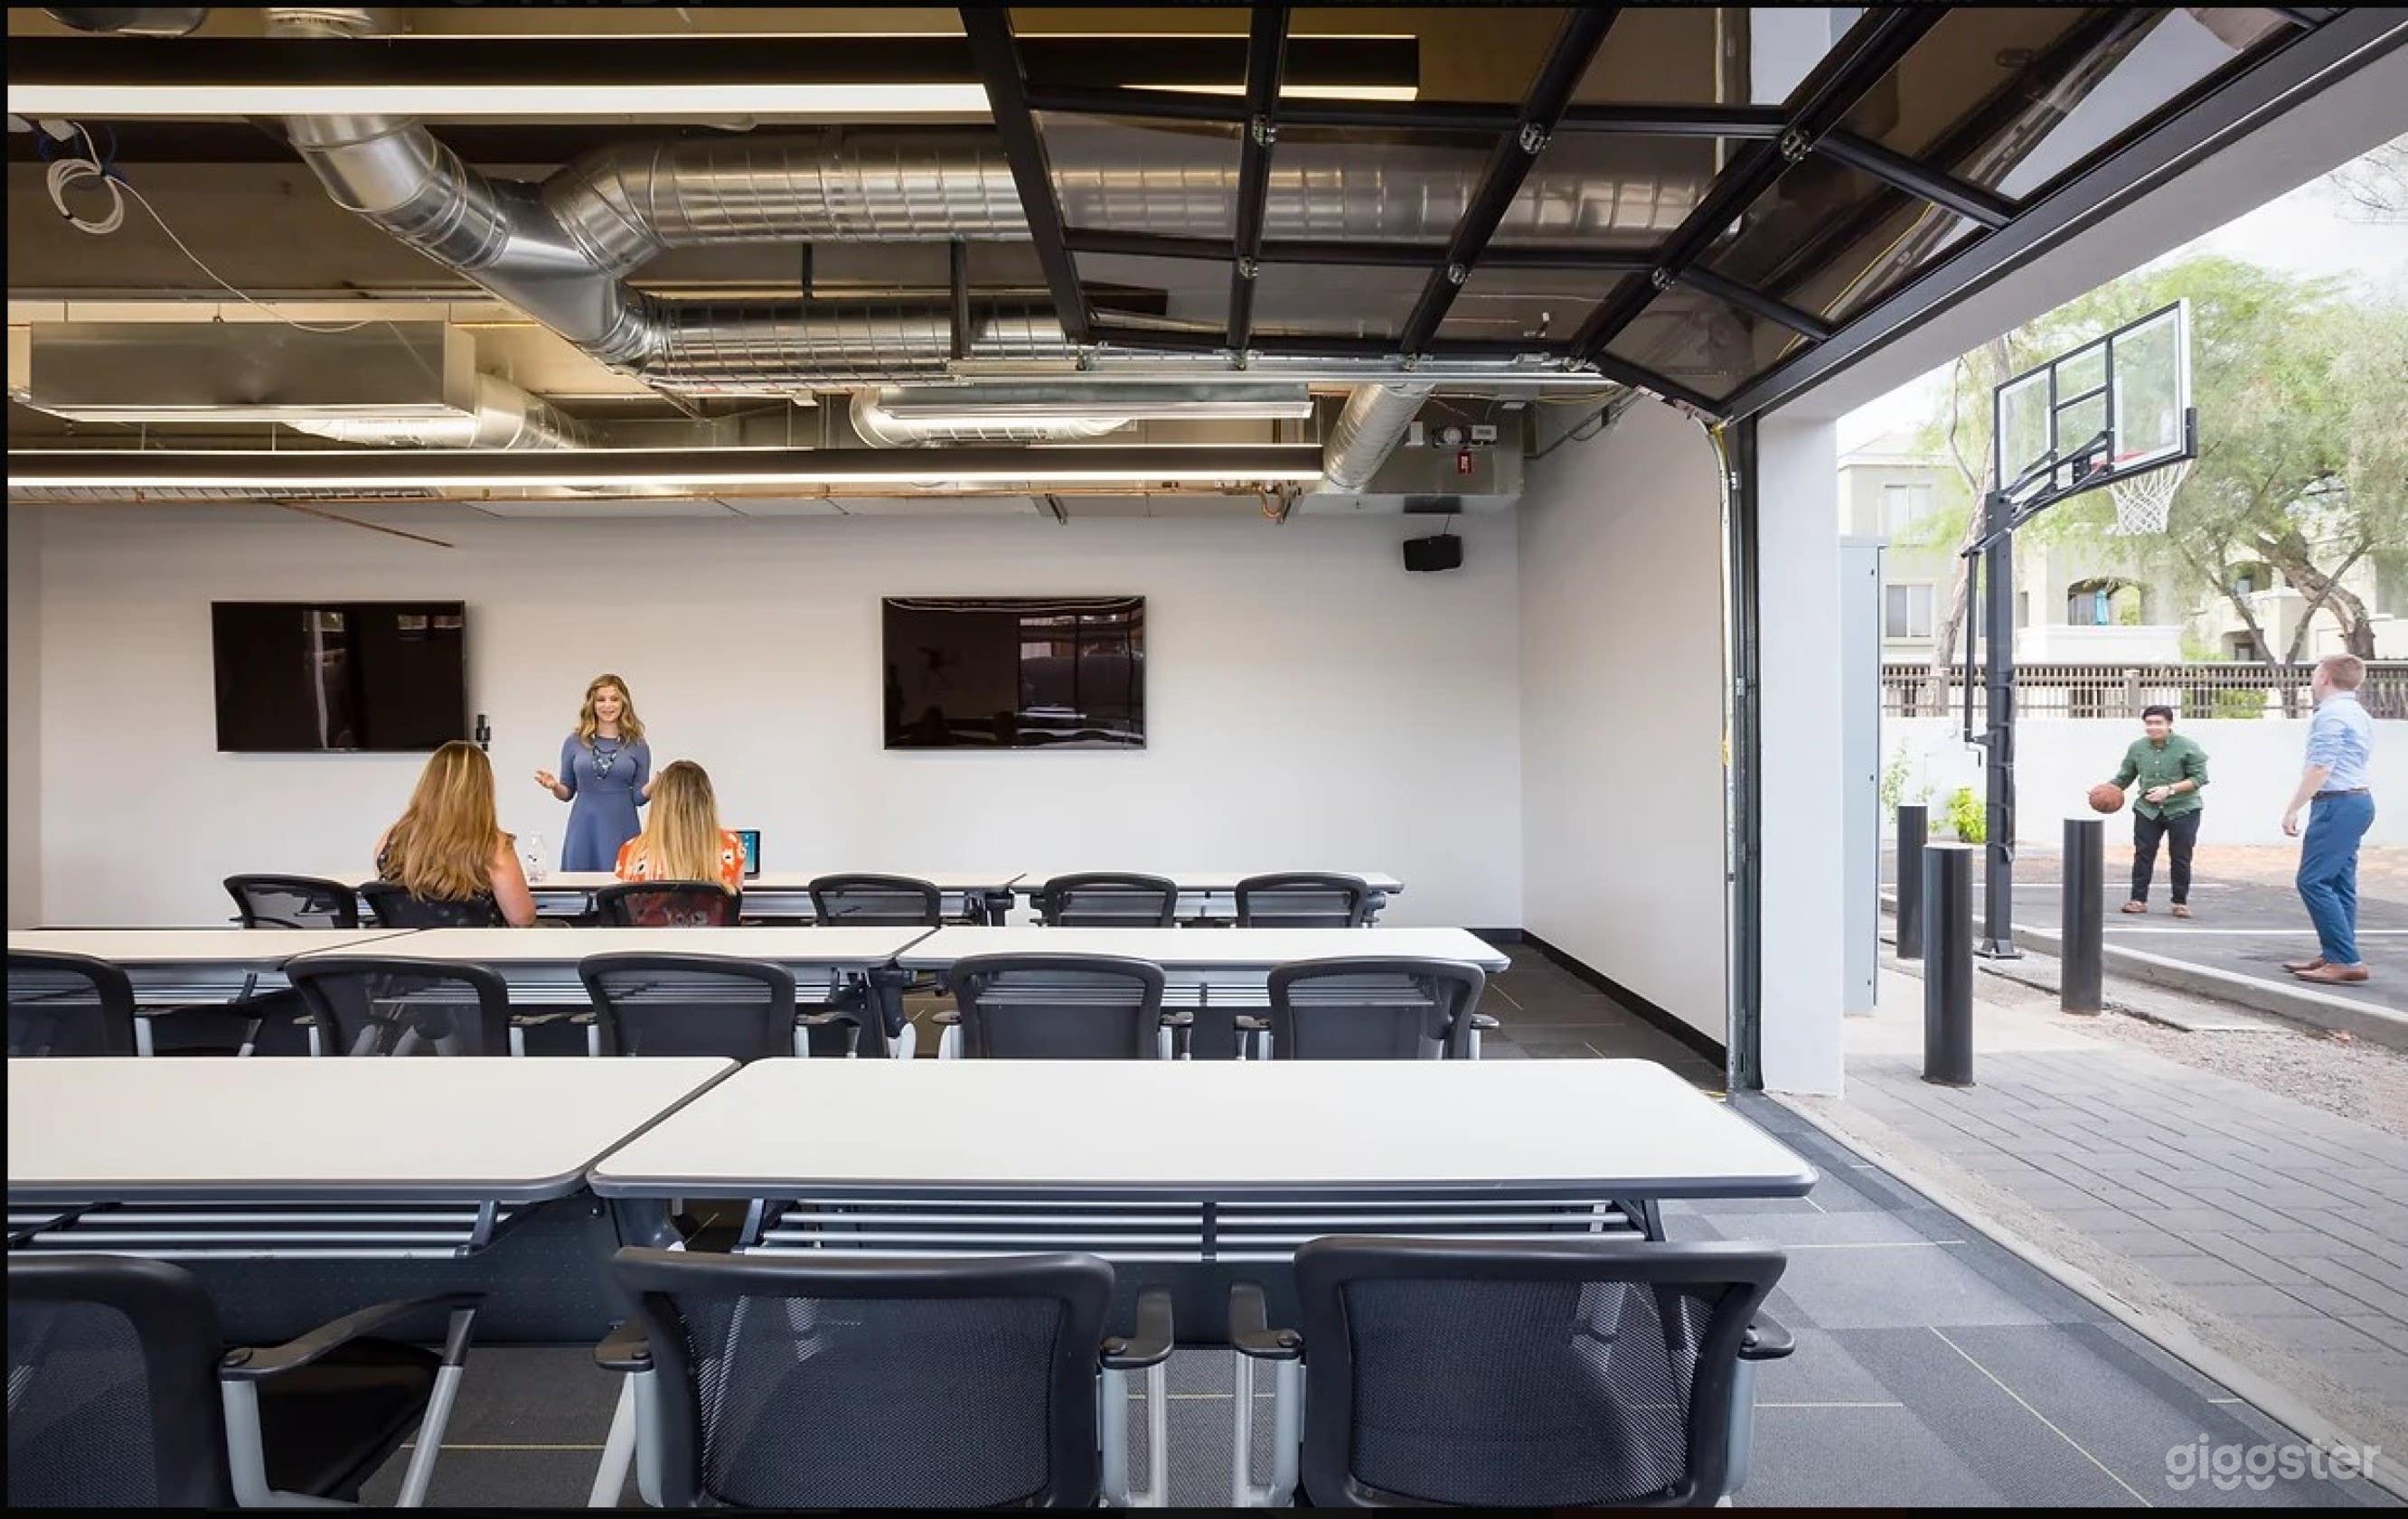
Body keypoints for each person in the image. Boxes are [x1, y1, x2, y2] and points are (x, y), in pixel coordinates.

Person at [2282, 653, 2376, 985]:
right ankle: (2336, 952)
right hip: (2356, 801)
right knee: (2340, 883)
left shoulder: (2331, 715)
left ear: (2324, 678)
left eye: (2314, 674)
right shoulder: (2358, 713)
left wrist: (2294, 807)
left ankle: (2346, 959)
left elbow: (2322, 766)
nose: (2312, 679)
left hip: (2337, 803)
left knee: (2313, 881)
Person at [373, 740, 538, 926]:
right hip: (477, 953)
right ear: (482, 791)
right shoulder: (492, 845)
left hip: (403, 953)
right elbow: (522, 919)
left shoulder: (392, 839)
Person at [536, 674, 654, 872]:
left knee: (620, 886)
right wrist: (554, 786)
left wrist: (655, 785)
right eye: (601, 699)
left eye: (614, 699)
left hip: (621, 824)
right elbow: (567, 792)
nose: (607, 705)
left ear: (624, 703)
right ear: (592, 704)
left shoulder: (638, 744)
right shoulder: (574, 741)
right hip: (584, 825)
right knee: (580, 887)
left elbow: (638, 797)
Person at [2103, 704, 2208, 918]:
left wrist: (2169, 790)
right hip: (2147, 809)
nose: (2153, 727)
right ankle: (2138, 900)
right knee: (2143, 853)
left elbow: (2199, 778)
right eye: (2149, 723)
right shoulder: (2137, 748)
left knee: (2180, 856)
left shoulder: (2188, 746)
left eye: (2158, 723)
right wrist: (2107, 789)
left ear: (2169, 724)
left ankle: (2180, 902)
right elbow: (2125, 775)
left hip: (2183, 808)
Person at [614, 759, 745, 893]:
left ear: (660, 803)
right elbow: (735, 906)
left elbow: (627, 910)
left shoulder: (631, 852)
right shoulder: (732, 845)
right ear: (706, 802)